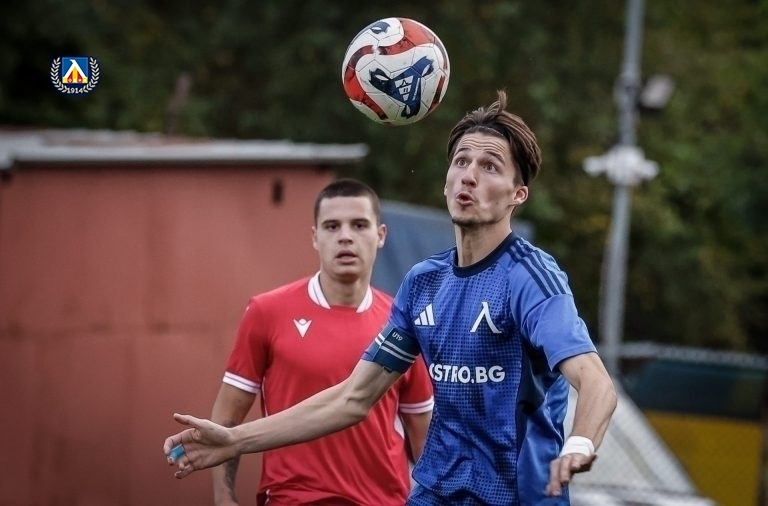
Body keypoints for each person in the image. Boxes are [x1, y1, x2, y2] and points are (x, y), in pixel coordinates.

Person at [163, 91, 618, 505]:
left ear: (518, 194)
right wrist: (236, 439)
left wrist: (579, 444)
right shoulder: (423, 283)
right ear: (445, 181)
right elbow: (352, 398)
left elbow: (596, 382)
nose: (469, 176)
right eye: (461, 162)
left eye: (489, 167)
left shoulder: (530, 278)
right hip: (436, 494)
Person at [209, 178, 434, 505]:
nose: (345, 236)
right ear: (315, 237)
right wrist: (224, 499)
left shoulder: (403, 325)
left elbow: (424, 436)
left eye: (359, 225)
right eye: (332, 226)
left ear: (381, 235)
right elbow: (226, 419)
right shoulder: (266, 312)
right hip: (293, 499)